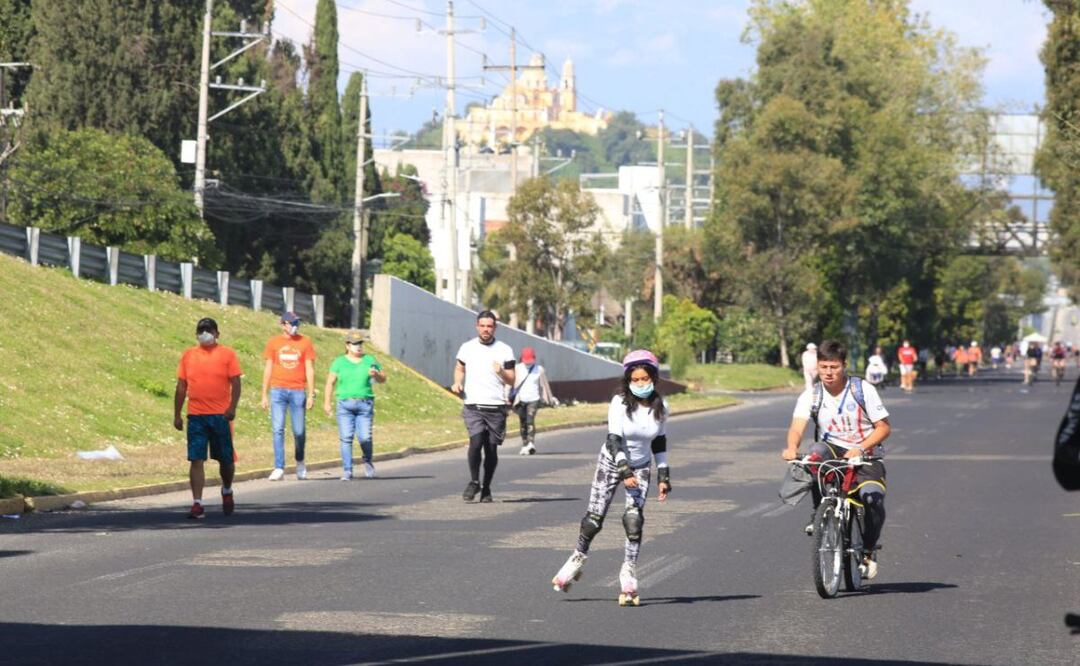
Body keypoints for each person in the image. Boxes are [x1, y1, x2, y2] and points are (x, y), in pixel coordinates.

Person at [552, 349, 671, 606]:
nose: (641, 384)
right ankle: (578, 557)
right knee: (594, 520)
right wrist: (624, 471)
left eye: (645, 378)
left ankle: (629, 570)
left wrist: (663, 476)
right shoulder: (620, 402)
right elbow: (614, 439)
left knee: (633, 520)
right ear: (628, 380)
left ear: (653, 378)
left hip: (641, 466)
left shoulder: (662, 407)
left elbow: (659, 442)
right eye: (635, 380)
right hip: (612, 461)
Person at [782, 340, 891, 579]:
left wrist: (860, 448)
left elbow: (883, 427)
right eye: (824, 367)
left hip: (866, 453)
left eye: (834, 367)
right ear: (817, 367)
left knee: (873, 499)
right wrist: (791, 447)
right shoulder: (812, 395)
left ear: (844, 365)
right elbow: (797, 427)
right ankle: (819, 512)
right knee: (814, 455)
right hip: (832, 449)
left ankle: (869, 550)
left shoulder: (862, 389)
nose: (829, 373)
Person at [173, 318, 242, 519]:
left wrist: (232, 407)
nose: (205, 334)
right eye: (201, 330)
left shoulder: (227, 354)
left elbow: (236, 382)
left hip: (220, 415)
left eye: (208, 330)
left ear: (217, 334)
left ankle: (227, 489)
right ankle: (197, 503)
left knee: (225, 459)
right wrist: (177, 414)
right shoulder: (189, 355)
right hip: (196, 415)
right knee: (196, 458)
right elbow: (181, 386)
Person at [452, 310, 516, 502]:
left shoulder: (505, 350)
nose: (486, 329)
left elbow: (512, 380)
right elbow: (459, 368)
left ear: (495, 328)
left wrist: (501, 372)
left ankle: (486, 487)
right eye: (482, 326)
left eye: (489, 326)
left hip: (496, 406)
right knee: (476, 442)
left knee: (491, 450)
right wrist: (457, 382)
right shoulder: (467, 347)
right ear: (477, 326)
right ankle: (474, 481)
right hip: (473, 405)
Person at [324, 331, 387, 480]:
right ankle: (347, 470)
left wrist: (376, 375)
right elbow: (330, 382)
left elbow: (383, 378)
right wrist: (327, 402)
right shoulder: (339, 362)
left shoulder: (369, 360)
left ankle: (367, 460)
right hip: (345, 404)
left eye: (360, 343)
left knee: (365, 437)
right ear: (347, 345)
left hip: (365, 404)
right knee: (346, 438)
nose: (358, 346)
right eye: (354, 344)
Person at [262, 311, 316, 481]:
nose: (295, 327)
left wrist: (311, 394)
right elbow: (268, 367)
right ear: (283, 324)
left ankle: (300, 461)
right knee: (277, 429)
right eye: (292, 323)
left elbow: (309, 368)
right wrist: (264, 394)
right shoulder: (274, 342)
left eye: (297, 323)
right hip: (277, 390)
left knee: (299, 431)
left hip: (298, 391)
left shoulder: (305, 342)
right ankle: (279, 466)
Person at [511, 347, 555, 455]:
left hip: (533, 399)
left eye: (530, 360)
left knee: (530, 420)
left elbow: (544, 385)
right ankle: (524, 444)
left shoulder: (539, 369)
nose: (528, 363)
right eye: (526, 361)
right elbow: (510, 383)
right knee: (523, 422)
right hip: (520, 400)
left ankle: (531, 443)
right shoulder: (517, 368)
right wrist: (505, 396)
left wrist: (548, 399)